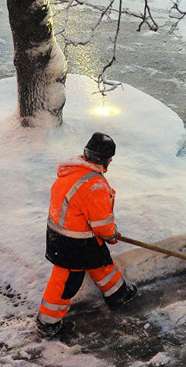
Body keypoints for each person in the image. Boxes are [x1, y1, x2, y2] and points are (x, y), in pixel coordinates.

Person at [36, 132, 138, 338]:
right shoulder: (94, 185)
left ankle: (117, 294)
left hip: (67, 234)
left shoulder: (72, 172)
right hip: (73, 242)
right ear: (103, 159)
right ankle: (48, 322)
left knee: (101, 262)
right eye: (110, 158)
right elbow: (101, 223)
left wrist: (105, 235)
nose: (111, 161)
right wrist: (110, 234)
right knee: (65, 281)